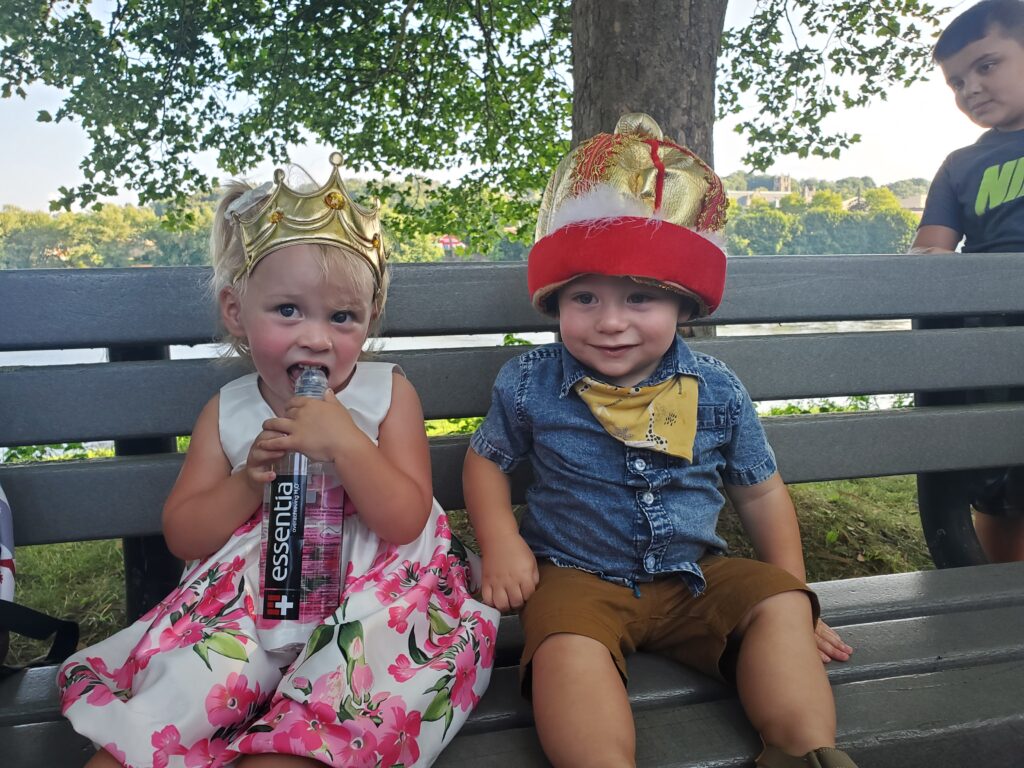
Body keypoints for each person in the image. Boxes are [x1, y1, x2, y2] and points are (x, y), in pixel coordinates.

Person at [58, 153, 499, 767]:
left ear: (369, 321)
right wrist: (247, 481)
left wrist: (346, 443)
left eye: (342, 317)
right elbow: (184, 532)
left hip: (376, 600)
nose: (317, 337)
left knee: (343, 708)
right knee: (170, 710)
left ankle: (293, 747)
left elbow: (405, 520)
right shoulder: (231, 409)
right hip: (247, 602)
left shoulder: (384, 393)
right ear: (237, 311)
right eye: (288, 310)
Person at [463, 114, 858, 768]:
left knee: (780, 603)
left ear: (683, 306)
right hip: (576, 578)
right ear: (555, 303)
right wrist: (502, 544)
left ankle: (803, 749)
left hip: (694, 578)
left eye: (641, 298)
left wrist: (797, 597)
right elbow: (486, 461)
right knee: (564, 648)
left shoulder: (717, 389)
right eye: (584, 297)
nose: (610, 321)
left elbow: (760, 493)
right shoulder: (531, 382)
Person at [910, 0, 1024, 562]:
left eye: (987, 65)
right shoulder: (960, 165)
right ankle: (1000, 613)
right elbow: (931, 253)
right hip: (988, 347)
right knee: (997, 493)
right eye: (956, 82)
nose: (970, 89)